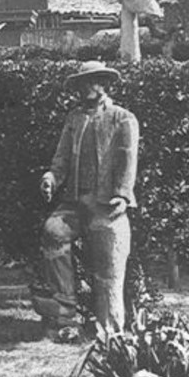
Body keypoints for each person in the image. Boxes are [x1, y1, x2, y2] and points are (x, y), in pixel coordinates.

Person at [33, 60, 139, 342]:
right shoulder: (74, 119)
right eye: (83, 83)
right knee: (53, 232)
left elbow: (128, 159)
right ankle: (65, 316)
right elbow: (62, 159)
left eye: (94, 81)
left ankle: (110, 331)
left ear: (105, 84)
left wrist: (122, 194)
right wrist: (51, 179)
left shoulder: (122, 118)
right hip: (75, 203)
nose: (88, 87)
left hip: (107, 205)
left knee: (108, 268)